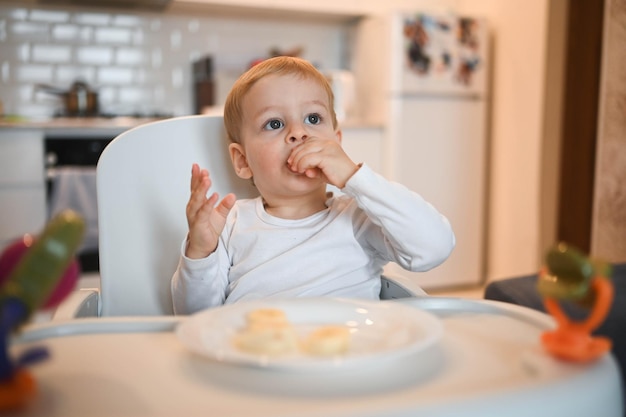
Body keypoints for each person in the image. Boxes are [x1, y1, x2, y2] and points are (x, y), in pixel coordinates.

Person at [171, 56, 455, 314]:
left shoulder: (358, 217)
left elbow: (433, 248)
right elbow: (195, 316)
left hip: (344, 356)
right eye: (274, 124)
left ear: (337, 143)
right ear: (243, 161)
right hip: (259, 355)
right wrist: (200, 253)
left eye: (313, 119)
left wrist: (354, 177)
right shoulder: (230, 224)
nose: (298, 132)